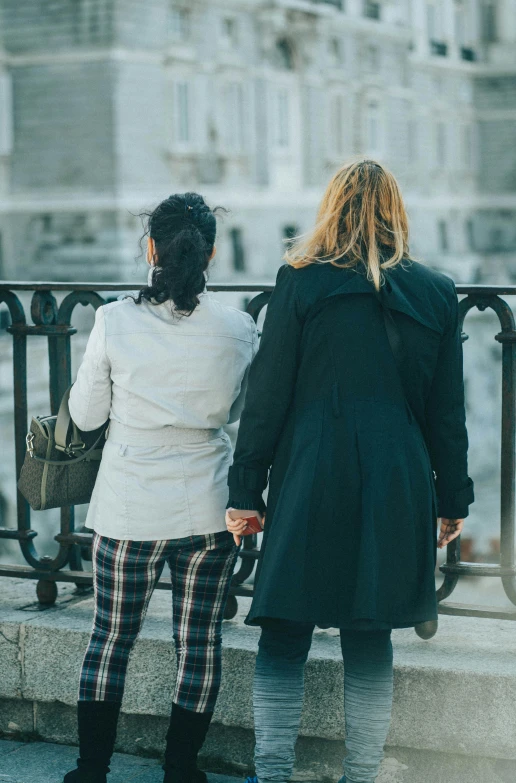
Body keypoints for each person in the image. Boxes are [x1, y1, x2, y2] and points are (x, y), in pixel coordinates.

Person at [225, 160, 474, 783]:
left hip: (312, 468)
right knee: (370, 630)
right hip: (398, 475)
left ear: (331, 210)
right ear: (397, 212)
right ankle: (361, 775)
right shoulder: (438, 292)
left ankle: (273, 774)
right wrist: (453, 499)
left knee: (284, 629)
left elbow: (267, 398)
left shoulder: (300, 283)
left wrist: (244, 490)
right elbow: (447, 413)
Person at [63, 192, 258, 783]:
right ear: (211, 254)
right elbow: (240, 414)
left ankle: (91, 771)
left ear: (151, 247)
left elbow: (87, 416)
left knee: (110, 636)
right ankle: (181, 770)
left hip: (129, 506)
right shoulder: (240, 326)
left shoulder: (114, 320)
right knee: (197, 642)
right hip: (207, 504)